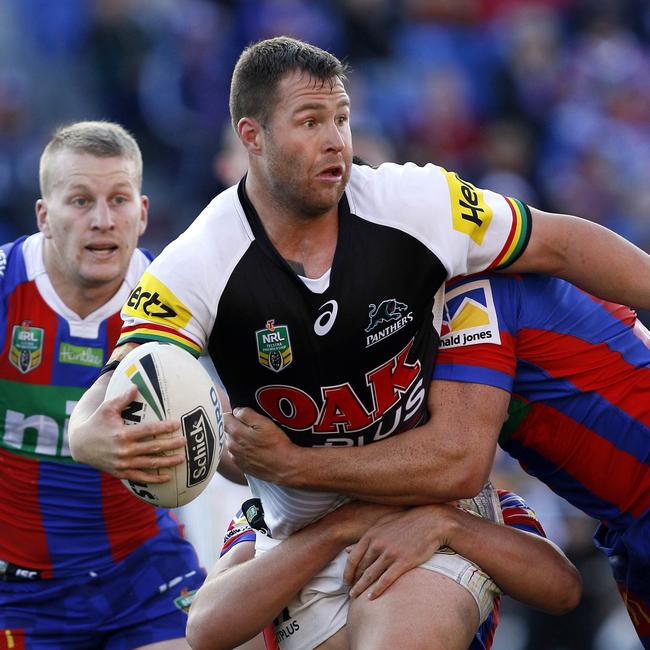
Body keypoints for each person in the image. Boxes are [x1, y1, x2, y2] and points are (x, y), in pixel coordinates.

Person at [68, 36, 650, 647]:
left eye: (342, 119)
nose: (335, 140)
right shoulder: (196, 263)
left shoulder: (419, 208)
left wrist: (294, 464)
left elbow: (558, 242)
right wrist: (88, 433)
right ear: (252, 135)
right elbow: (125, 376)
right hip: (296, 532)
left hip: (423, 509)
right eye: (311, 121)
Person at [225, 272, 650, 648]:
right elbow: (206, 627)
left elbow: (462, 467)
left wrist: (293, 465)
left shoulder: (465, 291)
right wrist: (331, 520)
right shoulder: (276, 515)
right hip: (625, 524)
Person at [0, 121, 205, 649]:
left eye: (118, 200)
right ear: (44, 216)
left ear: (142, 213)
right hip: (18, 591)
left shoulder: (179, 298)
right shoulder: (5, 288)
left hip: (144, 573)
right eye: (80, 201)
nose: (102, 221)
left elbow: (230, 436)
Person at [186, 490, 580, 650]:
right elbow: (206, 625)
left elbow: (563, 589)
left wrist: (447, 524)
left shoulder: (486, 505)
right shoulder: (270, 512)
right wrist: (339, 528)